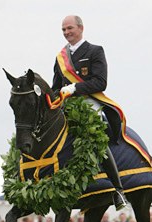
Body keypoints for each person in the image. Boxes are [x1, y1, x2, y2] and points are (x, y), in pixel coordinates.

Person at [52, 15, 128, 211]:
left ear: (80, 28)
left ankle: (118, 190)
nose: (67, 32)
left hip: (89, 104)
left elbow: (101, 82)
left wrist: (75, 88)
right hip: (66, 106)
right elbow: (55, 88)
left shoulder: (95, 51)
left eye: (69, 28)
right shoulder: (60, 58)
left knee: (95, 139)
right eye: (63, 30)